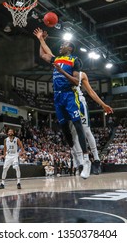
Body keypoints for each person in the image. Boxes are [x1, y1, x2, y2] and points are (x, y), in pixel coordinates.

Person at [33, 27, 91, 179]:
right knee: (64, 129)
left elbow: (76, 81)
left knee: (78, 126)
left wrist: (61, 71)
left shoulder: (75, 60)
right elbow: (43, 54)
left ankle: (86, 160)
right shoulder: (57, 59)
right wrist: (41, 39)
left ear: (70, 48)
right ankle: (77, 158)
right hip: (58, 97)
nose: (61, 45)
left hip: (70, 95)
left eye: (64, 44)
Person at [54, 61, 113, 174]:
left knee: (86, 131)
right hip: (67, 104)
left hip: (79, 103)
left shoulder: (81, 75)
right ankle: (81, 163)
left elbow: (90, 91)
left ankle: (96, 160)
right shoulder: (60, 73)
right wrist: (42, 42)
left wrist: (103, 104)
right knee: (74, 134)